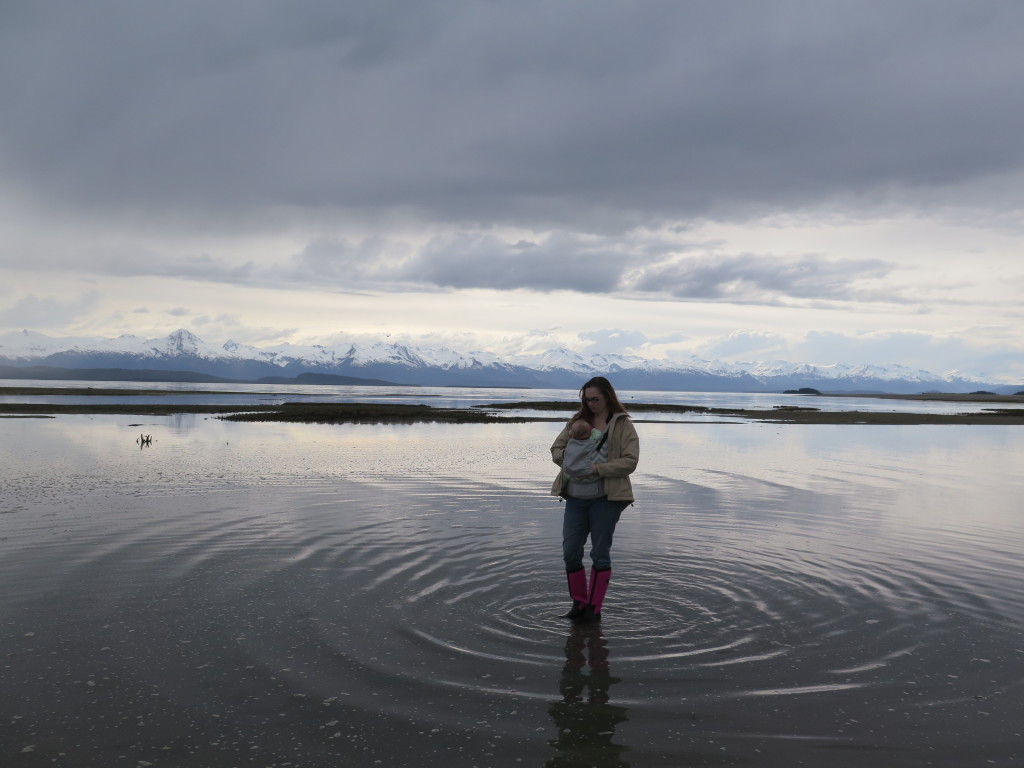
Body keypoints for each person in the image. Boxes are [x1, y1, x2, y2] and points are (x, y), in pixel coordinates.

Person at [550, 377, 640, 623]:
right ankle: (578, 603)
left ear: (608, 397)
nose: (590, 404)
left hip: (606, 499)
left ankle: (594, 609)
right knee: (570, 551)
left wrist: (599, 469)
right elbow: (556, 449)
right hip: (575, 499)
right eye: (586, 399)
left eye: (595, 399)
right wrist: (569, 461)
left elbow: (630, 462)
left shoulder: (622, 426)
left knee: (600, 554)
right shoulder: (577, 422)